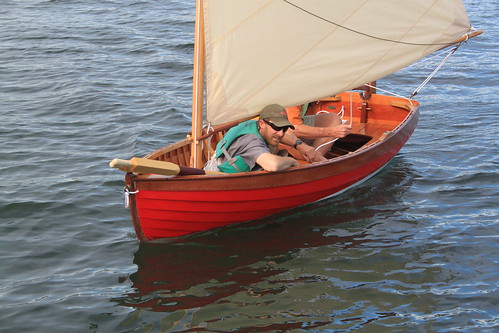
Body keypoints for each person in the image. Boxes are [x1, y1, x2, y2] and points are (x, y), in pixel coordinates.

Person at [205, 104, 299, 173]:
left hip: (218, 166)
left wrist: (299, 145)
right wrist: (292, 161)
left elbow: (276, 134)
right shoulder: (252, 141)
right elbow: (273, 165)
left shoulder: (250, 124)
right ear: (262, 124)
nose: (281, 133)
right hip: (225, 183)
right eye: (277, 127)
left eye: (285, 128)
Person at [285, 103, 352, 161]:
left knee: (333, 119)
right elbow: (293, 129)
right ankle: (314, 158)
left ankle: (315, 156)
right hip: (282, 131)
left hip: (292, 124)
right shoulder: (292, 93)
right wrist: (331, 132)